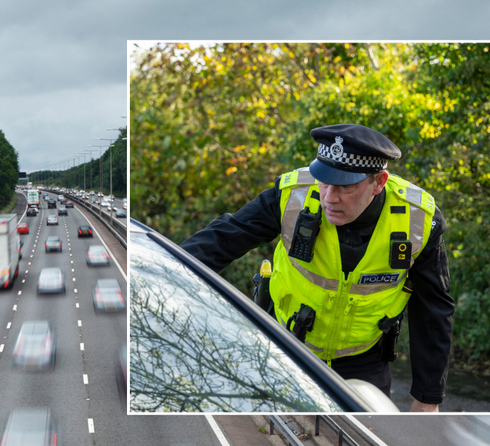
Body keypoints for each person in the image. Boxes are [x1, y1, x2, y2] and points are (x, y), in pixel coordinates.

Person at [181, 124, 454, 412]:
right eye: (324, 181)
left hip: (364, 362)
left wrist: (427, 399)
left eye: (345, 186)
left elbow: (433, 309)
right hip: (284, 346)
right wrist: (164, 272)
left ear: (379, 182)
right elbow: (223, 238)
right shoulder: (292, 195)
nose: (329, 197)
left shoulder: (418, 220)